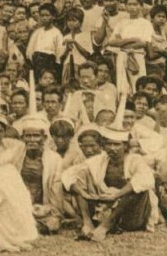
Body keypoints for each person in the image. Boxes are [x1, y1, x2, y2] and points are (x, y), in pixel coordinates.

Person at [63, 102, 159, 241]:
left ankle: (105, 226)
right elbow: (68, 175)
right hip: (103, 209)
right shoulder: (100, 160)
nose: (112, 148)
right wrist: (82, 192)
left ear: (125, 146)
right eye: (109, 144)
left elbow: (146, 180)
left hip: (131, 216)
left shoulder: (135, 159)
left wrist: (117, 195)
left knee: (137, 189)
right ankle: (87, 222)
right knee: (80, 177)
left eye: (116, 144)